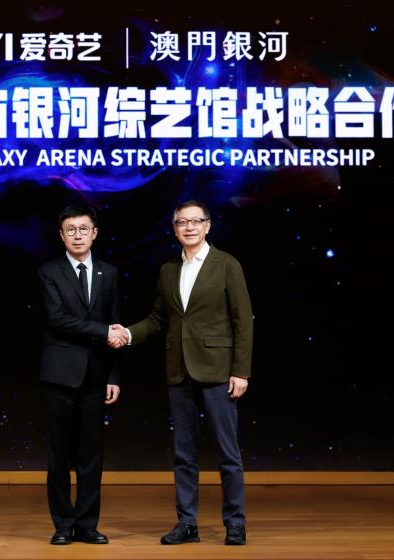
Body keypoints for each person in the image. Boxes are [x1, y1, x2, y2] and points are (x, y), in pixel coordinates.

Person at [110, 200, 253, 546]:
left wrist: (241, 371)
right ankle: (187, 523)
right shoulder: (168, 270)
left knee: (228, 452)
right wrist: (127, 333)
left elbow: (243, 321)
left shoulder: (227, 264)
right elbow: (158, 318)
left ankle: (235, 522)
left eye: (195, 221)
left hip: (218, 371)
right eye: (182, 222)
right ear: (174, 230)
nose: (189, 227)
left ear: (207, 226)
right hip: (179, 371)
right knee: (183, 453)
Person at [37, 203, 124, 545]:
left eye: (83, 229)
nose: (78, 235)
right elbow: (57, 318)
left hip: (96, 376)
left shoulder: (109, 273)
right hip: (59, 375)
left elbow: (116, 324)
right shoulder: (49, 271)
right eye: (70, 230)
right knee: (59, 454)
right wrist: (103, 331)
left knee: (91, 455)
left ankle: (87, 525)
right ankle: (63, 524)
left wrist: (114, 375)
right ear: (61, 235)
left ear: (95, 233)